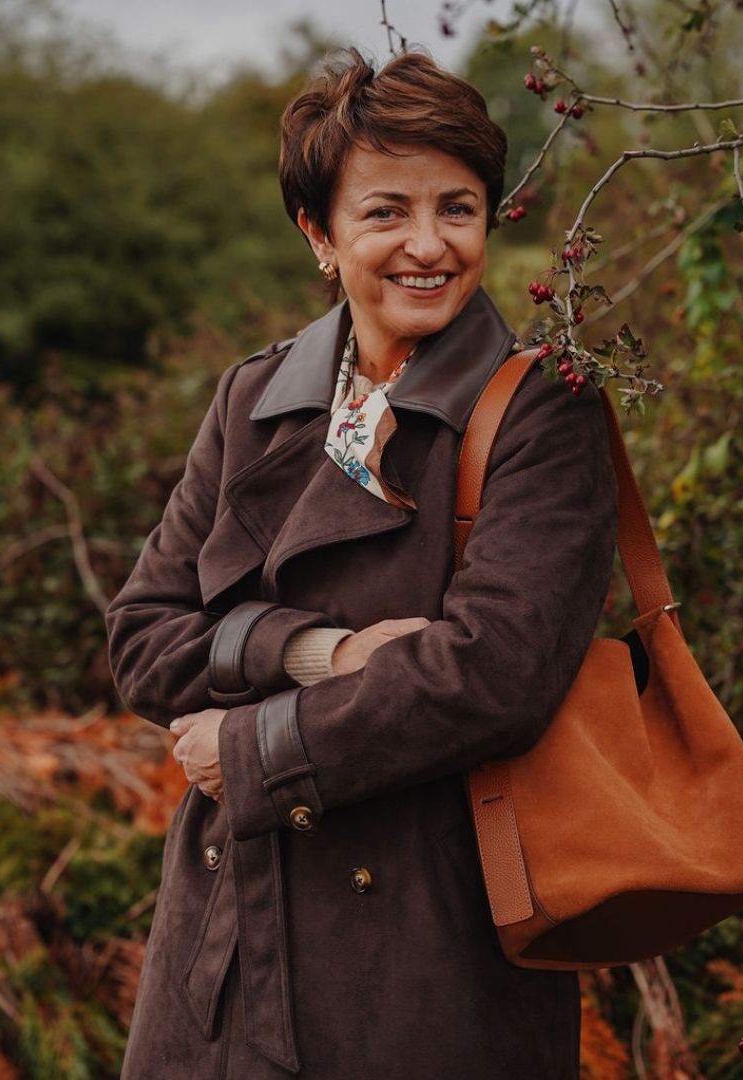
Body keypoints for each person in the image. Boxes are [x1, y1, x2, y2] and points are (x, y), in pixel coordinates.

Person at [104, 46, 618, 1080]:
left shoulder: (544, 410)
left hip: (430, 954)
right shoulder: (252, 402)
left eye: (458, 209)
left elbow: (492, 678)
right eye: (386, 212)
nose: (427, 246)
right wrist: (324, 657)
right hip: (223, 948)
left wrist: (246, 754)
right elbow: (146, 641)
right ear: (320, 236)